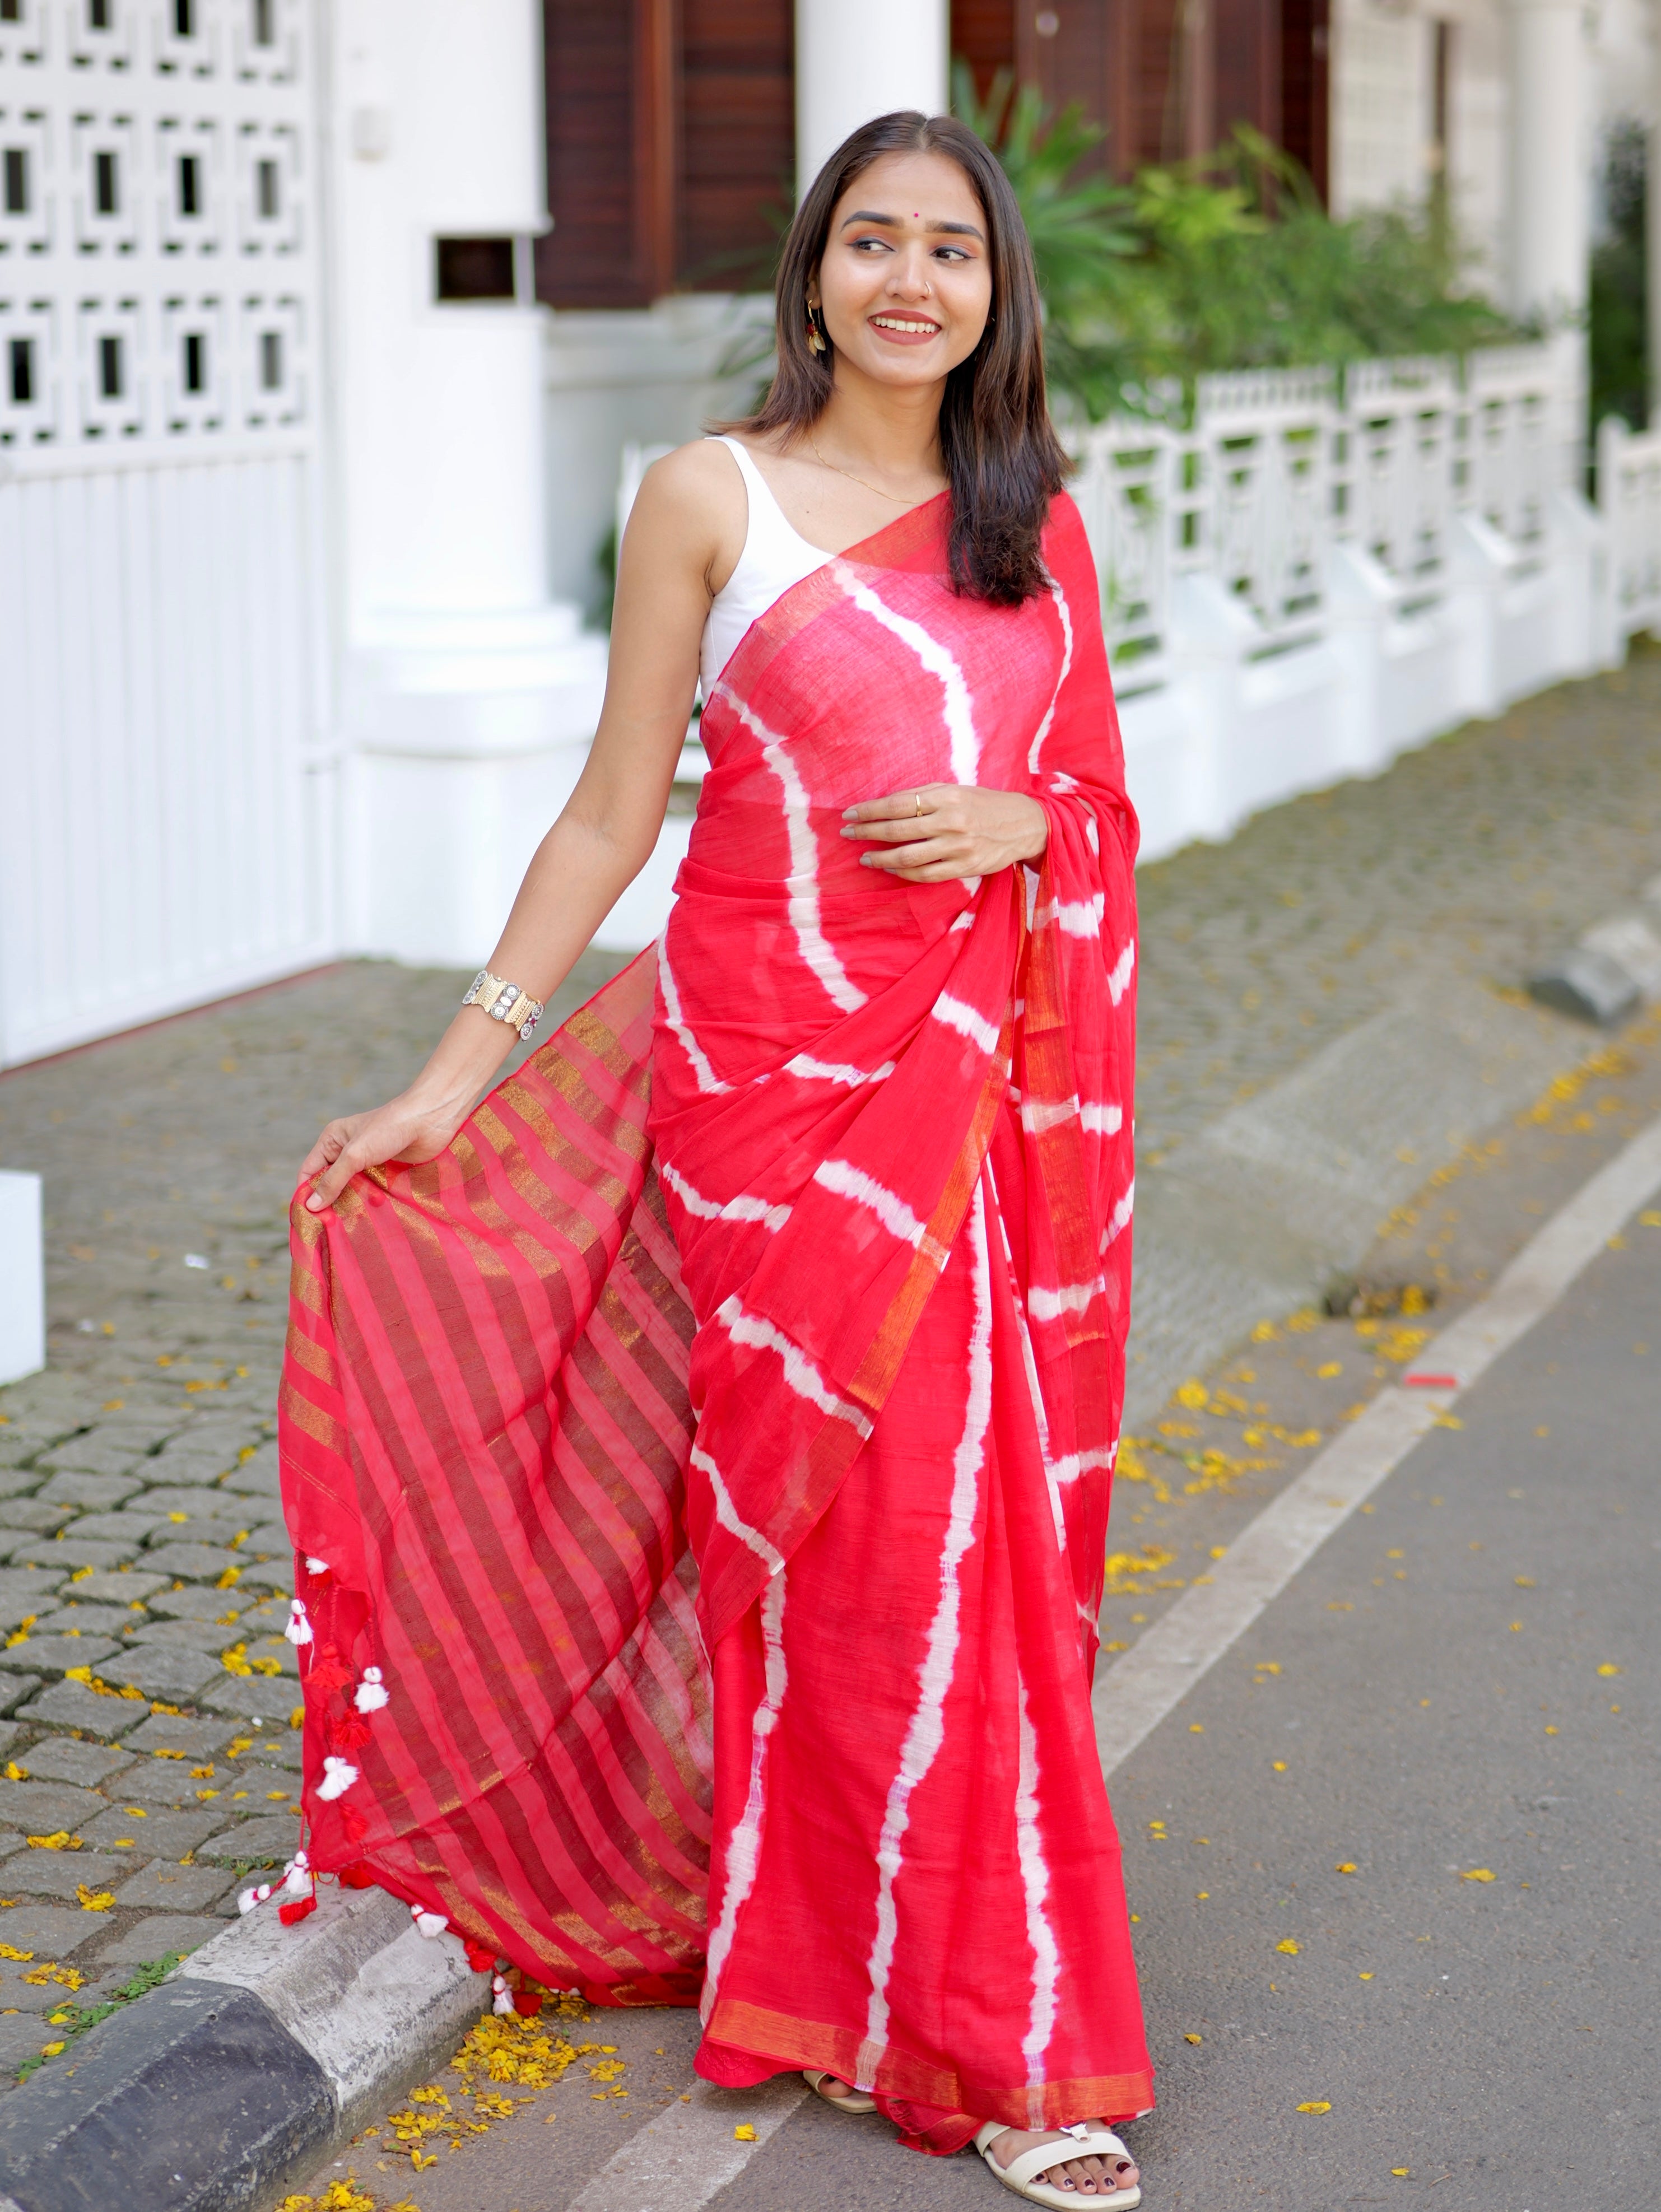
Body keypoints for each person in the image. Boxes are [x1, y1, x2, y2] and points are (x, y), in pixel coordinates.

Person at [285, 110, 1150, 2207]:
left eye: (953, 247)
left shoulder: (1030, 518)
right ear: (816, 271)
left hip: (961, 1095)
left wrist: (1038, 835)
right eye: (875, 241)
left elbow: (1098, 798)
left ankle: (979, 2022)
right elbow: (612, 814)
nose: (912, 282)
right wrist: (453, 1078)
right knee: (826, 1543)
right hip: (763, 1090)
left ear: (995, 288)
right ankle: (885, 1979)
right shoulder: (711, 495)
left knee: (952, 1549)